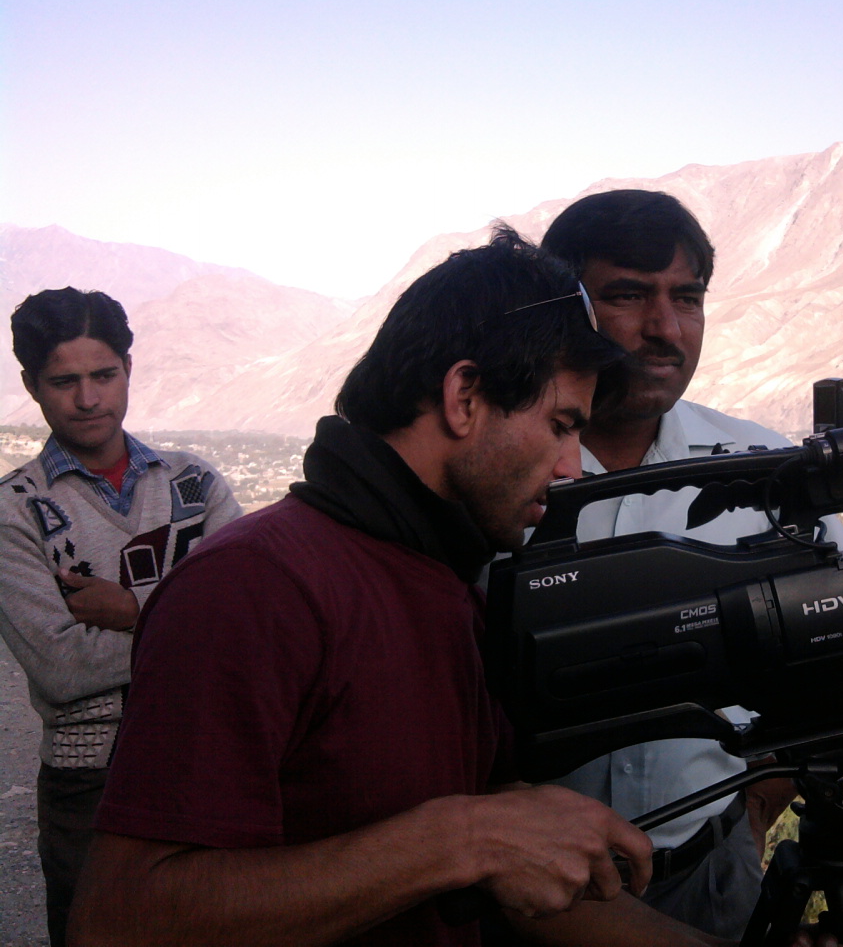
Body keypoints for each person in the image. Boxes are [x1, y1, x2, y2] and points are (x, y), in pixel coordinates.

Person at [65, 230, 732, 947]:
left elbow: (496, 856)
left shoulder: (445, 580)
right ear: (465, 397)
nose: (573, 467)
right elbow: (119, 918)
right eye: (561, 425)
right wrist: (460, 839)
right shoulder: (253, 586)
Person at [538, 190, 843, 940]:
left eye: (687, 298)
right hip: (536, 899)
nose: (666, 328)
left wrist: (758, 806)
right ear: (563, 307)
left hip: (715, 872)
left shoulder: (764, 467)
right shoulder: (500, 474)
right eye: (628, 295)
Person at [0, 287, 242, 947]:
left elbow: (248, 623)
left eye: (104, 375)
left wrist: (133, 610)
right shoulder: (16, 511)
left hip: (212, 759)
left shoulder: (195, 485)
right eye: (64, 382)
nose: (88, 399)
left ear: (129, 370)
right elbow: (63, 668)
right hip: (91, 784)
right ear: (31, 385)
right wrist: (187, 620)